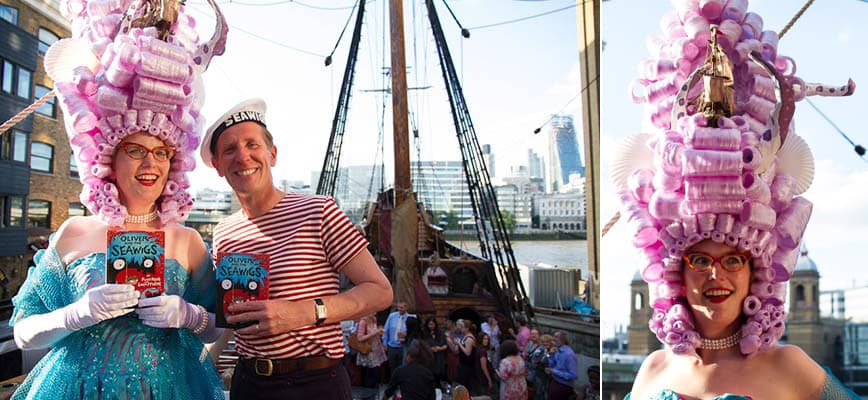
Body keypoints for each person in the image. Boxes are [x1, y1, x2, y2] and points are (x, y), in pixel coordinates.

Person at [614, 1, 858, 399]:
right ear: (675, 274)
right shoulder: (653, 369)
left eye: (732, 259)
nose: (716, 275)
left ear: (755, 274)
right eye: (699, 260)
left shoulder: (790, 366)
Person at [8, 0, 228, 398]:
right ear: (109, 160)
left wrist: (189, 315)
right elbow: (23, 331)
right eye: (136, 150)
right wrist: (76, 314)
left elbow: (217, 325)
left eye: (162, 152)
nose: (151, 163)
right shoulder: (74, 233)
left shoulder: (188, 241)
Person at [201, 98, 394, 399]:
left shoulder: (318, 212)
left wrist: (304, 312)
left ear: (272, 154)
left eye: (252, 144)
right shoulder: (225, 232)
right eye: (229, 149)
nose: (242, 156)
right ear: (217, 165)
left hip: (314, 382)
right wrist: (205, 364)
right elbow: (234, 317)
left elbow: (380, 291)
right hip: (249, 383)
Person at [356, 313, 388, 388]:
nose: (375, 313)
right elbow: (360, 338)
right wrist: (374, 333)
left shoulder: (374, 319)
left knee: (375, 373)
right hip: (368, 351)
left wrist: (379, 333)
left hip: (376, 349)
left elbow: (374, 332)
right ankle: (368, 391)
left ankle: (372, 390)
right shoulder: (363, 322)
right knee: (371, 374)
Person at [447, 319, 478, 393]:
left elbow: (467, 353)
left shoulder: (469, 338)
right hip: (462, 364)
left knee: (462, 384)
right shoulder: (464, 336)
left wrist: (459, 344)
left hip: (467, 366)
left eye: (462, 327)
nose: (461, 328)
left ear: (467, 328)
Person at [546, 332, 577, 400]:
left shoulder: (569, 354)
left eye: (556, 337)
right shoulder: (557, 350)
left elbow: (573, 375)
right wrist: (550, 355)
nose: (553, 339)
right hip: (554, 381)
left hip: (563, 386)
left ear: (563, 340)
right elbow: (552, 365)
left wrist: (554, 371)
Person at [383, 301, 411, 371]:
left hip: (403, 347)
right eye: (398, 307)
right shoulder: (392, 316)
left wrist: (405, 335)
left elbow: (413, 333)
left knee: (402, 366)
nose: (399, 309)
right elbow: (386, 330)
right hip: (391, 346)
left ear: (406, 308)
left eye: (401, 307)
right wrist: (384, 344)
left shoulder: (410, 318)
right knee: (392, 366)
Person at [423, 317, 448, 389]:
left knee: (439, 374)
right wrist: (430, 349)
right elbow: (423, 346)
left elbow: (445, 345)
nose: (431, 326)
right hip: (430, 358)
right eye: (429, 324)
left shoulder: (440, 333)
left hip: (439, 357)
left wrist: (439, 348)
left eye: (432, 324)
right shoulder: (424, 334)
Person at [529, 334, 554, 400]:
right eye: (543, 342)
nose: (545, 343)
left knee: (545, 392)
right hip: (539, 374)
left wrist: (549, 354)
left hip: (548, 376)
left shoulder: (553, 351)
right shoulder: (540, 349)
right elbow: (534, 360)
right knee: (538, 392)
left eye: (547, 341)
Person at [475, 332, 496, 396]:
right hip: (483, 377)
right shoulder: (482, 351)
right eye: (484, 339)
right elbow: (484, 367)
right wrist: (489, 379)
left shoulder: (479, 349)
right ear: (480, 339)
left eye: (487, 339)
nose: (486, 341)